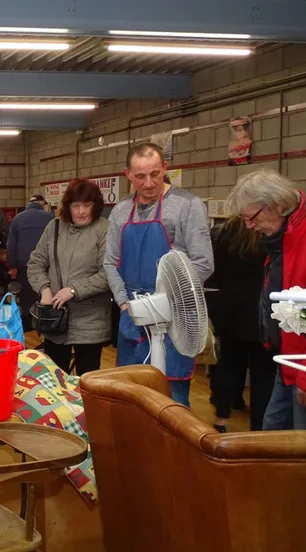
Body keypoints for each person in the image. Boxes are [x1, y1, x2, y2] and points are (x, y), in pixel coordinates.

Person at [104, 143, 213, 407]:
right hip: (132, 316)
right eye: (140, 176)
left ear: (165, 167)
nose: (149, 182)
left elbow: (203, 263)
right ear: (127, 174)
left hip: (173, 320)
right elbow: (110, 262)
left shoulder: (188, 205)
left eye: (155, 174)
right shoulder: (120, 211)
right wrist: (123, 302)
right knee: (129, 396)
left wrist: (168, 302)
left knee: (171, 399)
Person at [226, 168, 306, 430]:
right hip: (286, 362)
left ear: (279, 206)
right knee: (271, 438)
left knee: (297, 451)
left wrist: (305, 377)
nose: (249, 226)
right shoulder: (280, 236)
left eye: (252, 218)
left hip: (302, 368)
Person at [27, 179, 111, 375]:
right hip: (54, 321)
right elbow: (35, 263)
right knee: (55, 381)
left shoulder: (105, 229)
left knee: (87, 381)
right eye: (76, 205)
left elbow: (109, 273)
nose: (81, 211)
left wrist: (74, 290)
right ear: (68, 206)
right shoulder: (54, 227)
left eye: (87, 205)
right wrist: (44, 290)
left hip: (90, 322)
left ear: (95, 206)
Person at [206, 215, 275, 432]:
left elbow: (213, 272)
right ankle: (258, 427)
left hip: (229, 310)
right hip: (263, 311)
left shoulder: (225, 232)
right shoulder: (269, 234)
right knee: (263, 373)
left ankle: (221, 418)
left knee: (228, 364)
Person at [7, 195, 54, 329]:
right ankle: (44, 323)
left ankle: (27, 325)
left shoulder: (17, 218)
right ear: (42, 204)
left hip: (24, 264)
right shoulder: (50, 218)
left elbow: (11, 245)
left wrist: (12, 266)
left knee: (26, 295)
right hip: (47, 263)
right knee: (44, 292)